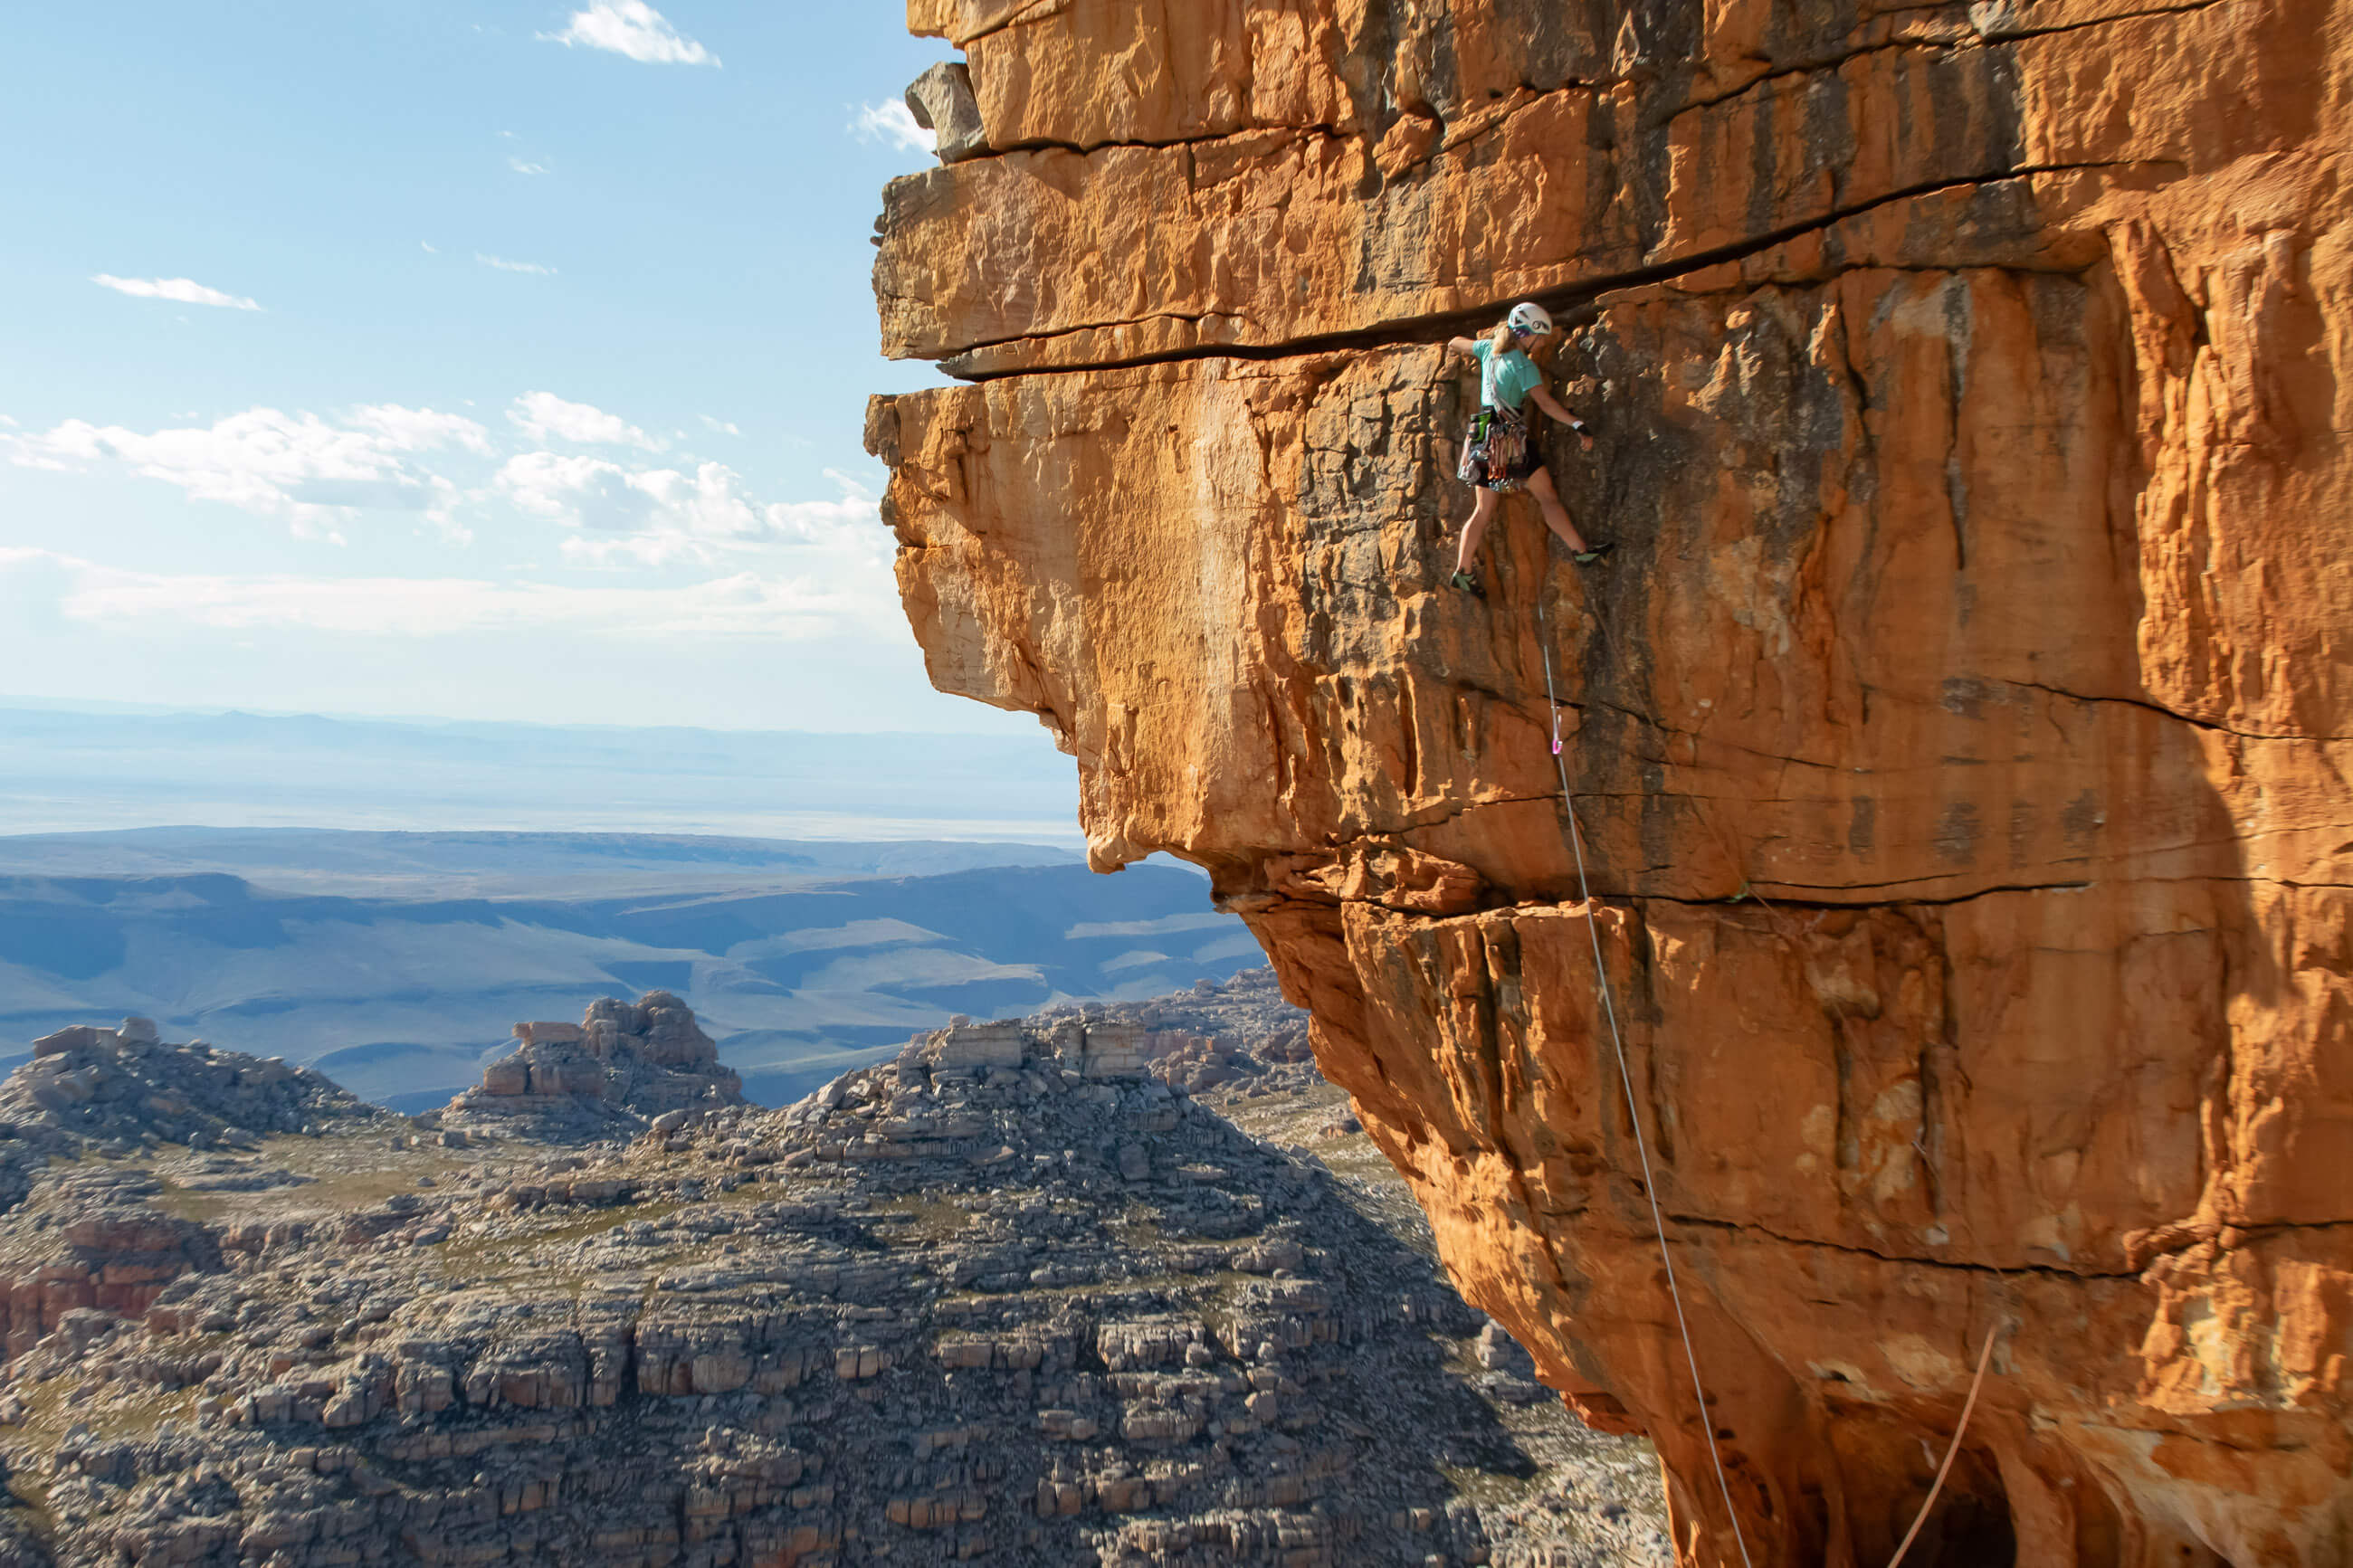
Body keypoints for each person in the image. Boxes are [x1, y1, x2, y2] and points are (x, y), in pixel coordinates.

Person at [1445, 300, 1608, 596]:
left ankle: (1463, 570)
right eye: (1540, 335)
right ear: (1526, 333)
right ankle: (1580, 551)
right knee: (1547, 496)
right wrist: (1576, 425)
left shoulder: (1488, 350)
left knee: (1482, 509)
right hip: (1507, 437)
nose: (1542, 341)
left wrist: (1463, 345)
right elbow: (1546, 404)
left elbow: (1456, 342)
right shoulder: (1523, 365)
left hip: (1482, 432)